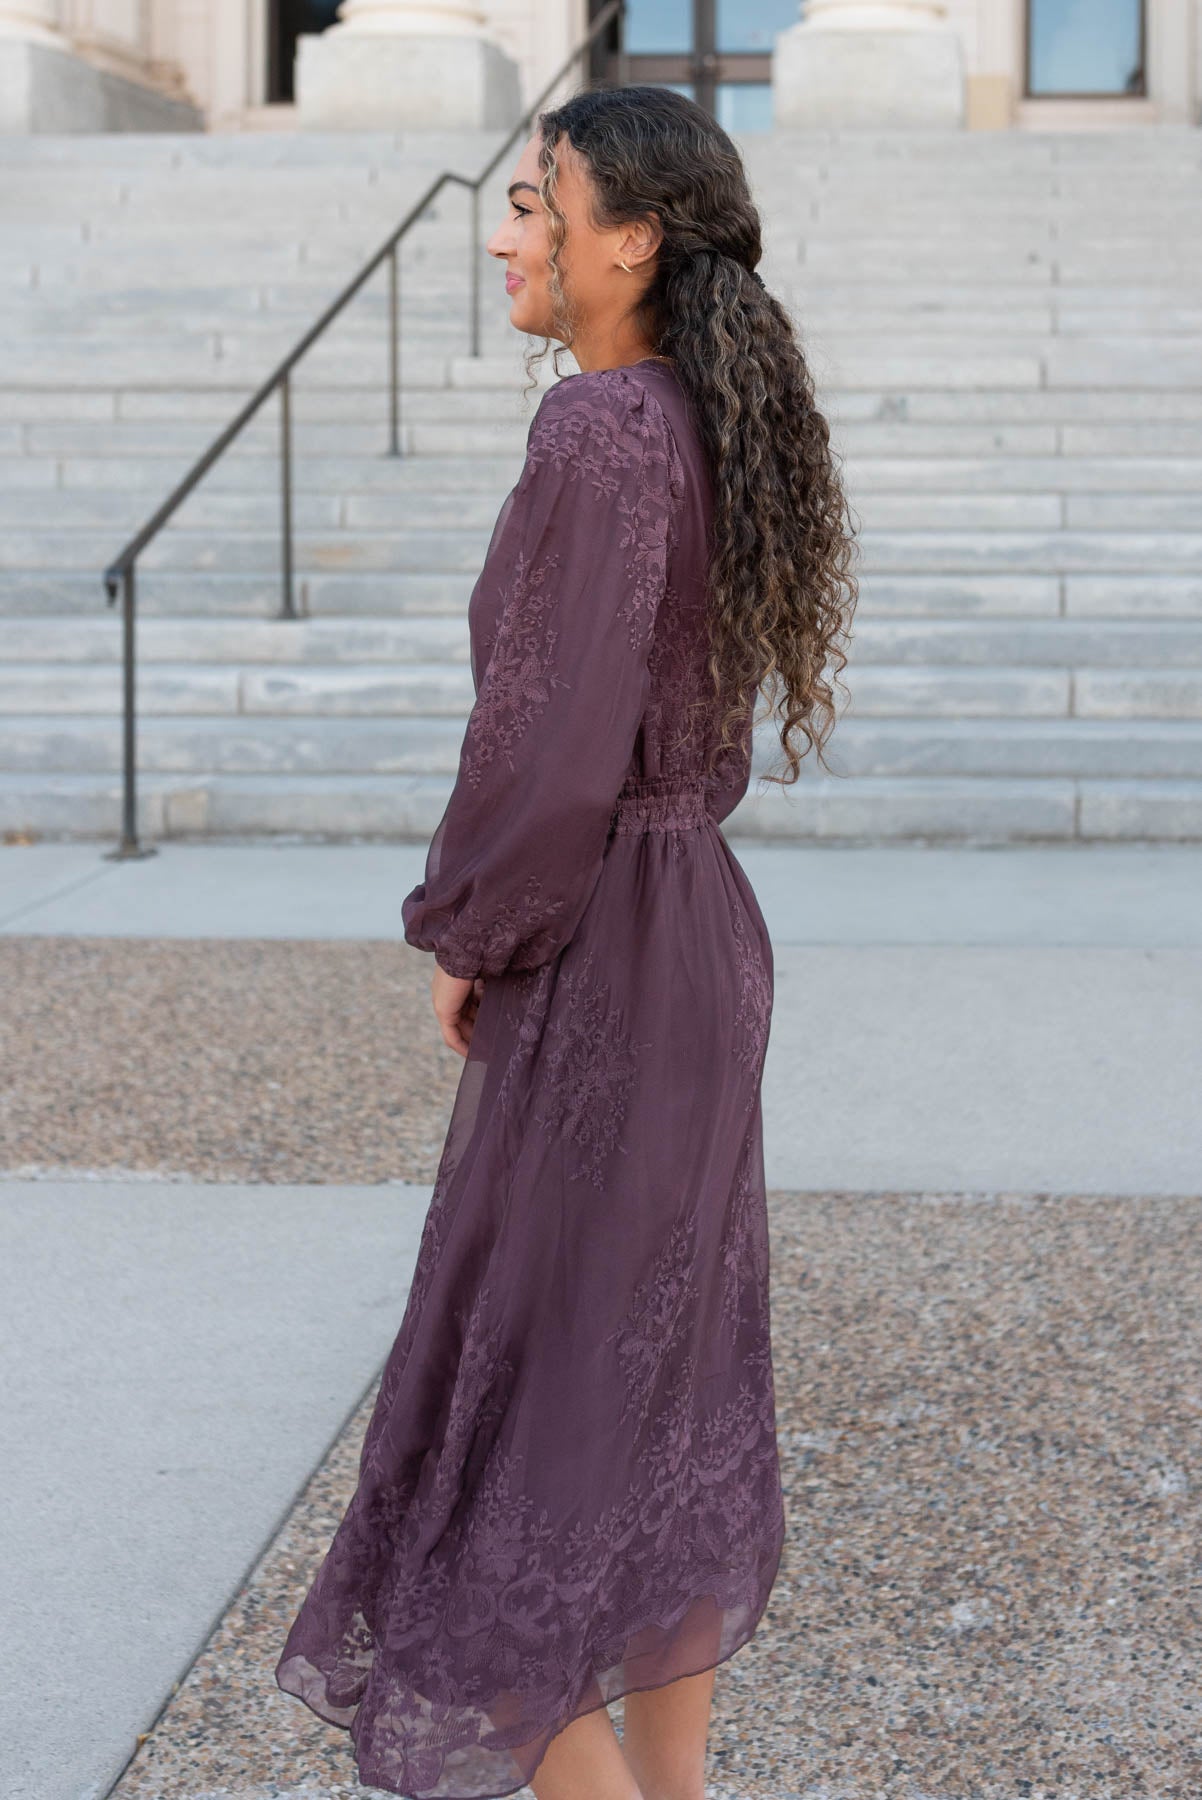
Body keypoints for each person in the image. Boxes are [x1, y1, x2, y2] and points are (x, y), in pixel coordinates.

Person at [275, 84, 857, 1800]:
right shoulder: (707, 422)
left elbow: (546, 741)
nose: (502, 231)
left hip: (603, 940)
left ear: (632, 242)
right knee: (648, 1420)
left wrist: (469, 927)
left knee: (508, 1450)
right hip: (696, 938)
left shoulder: (598, 431)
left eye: (537, 202)